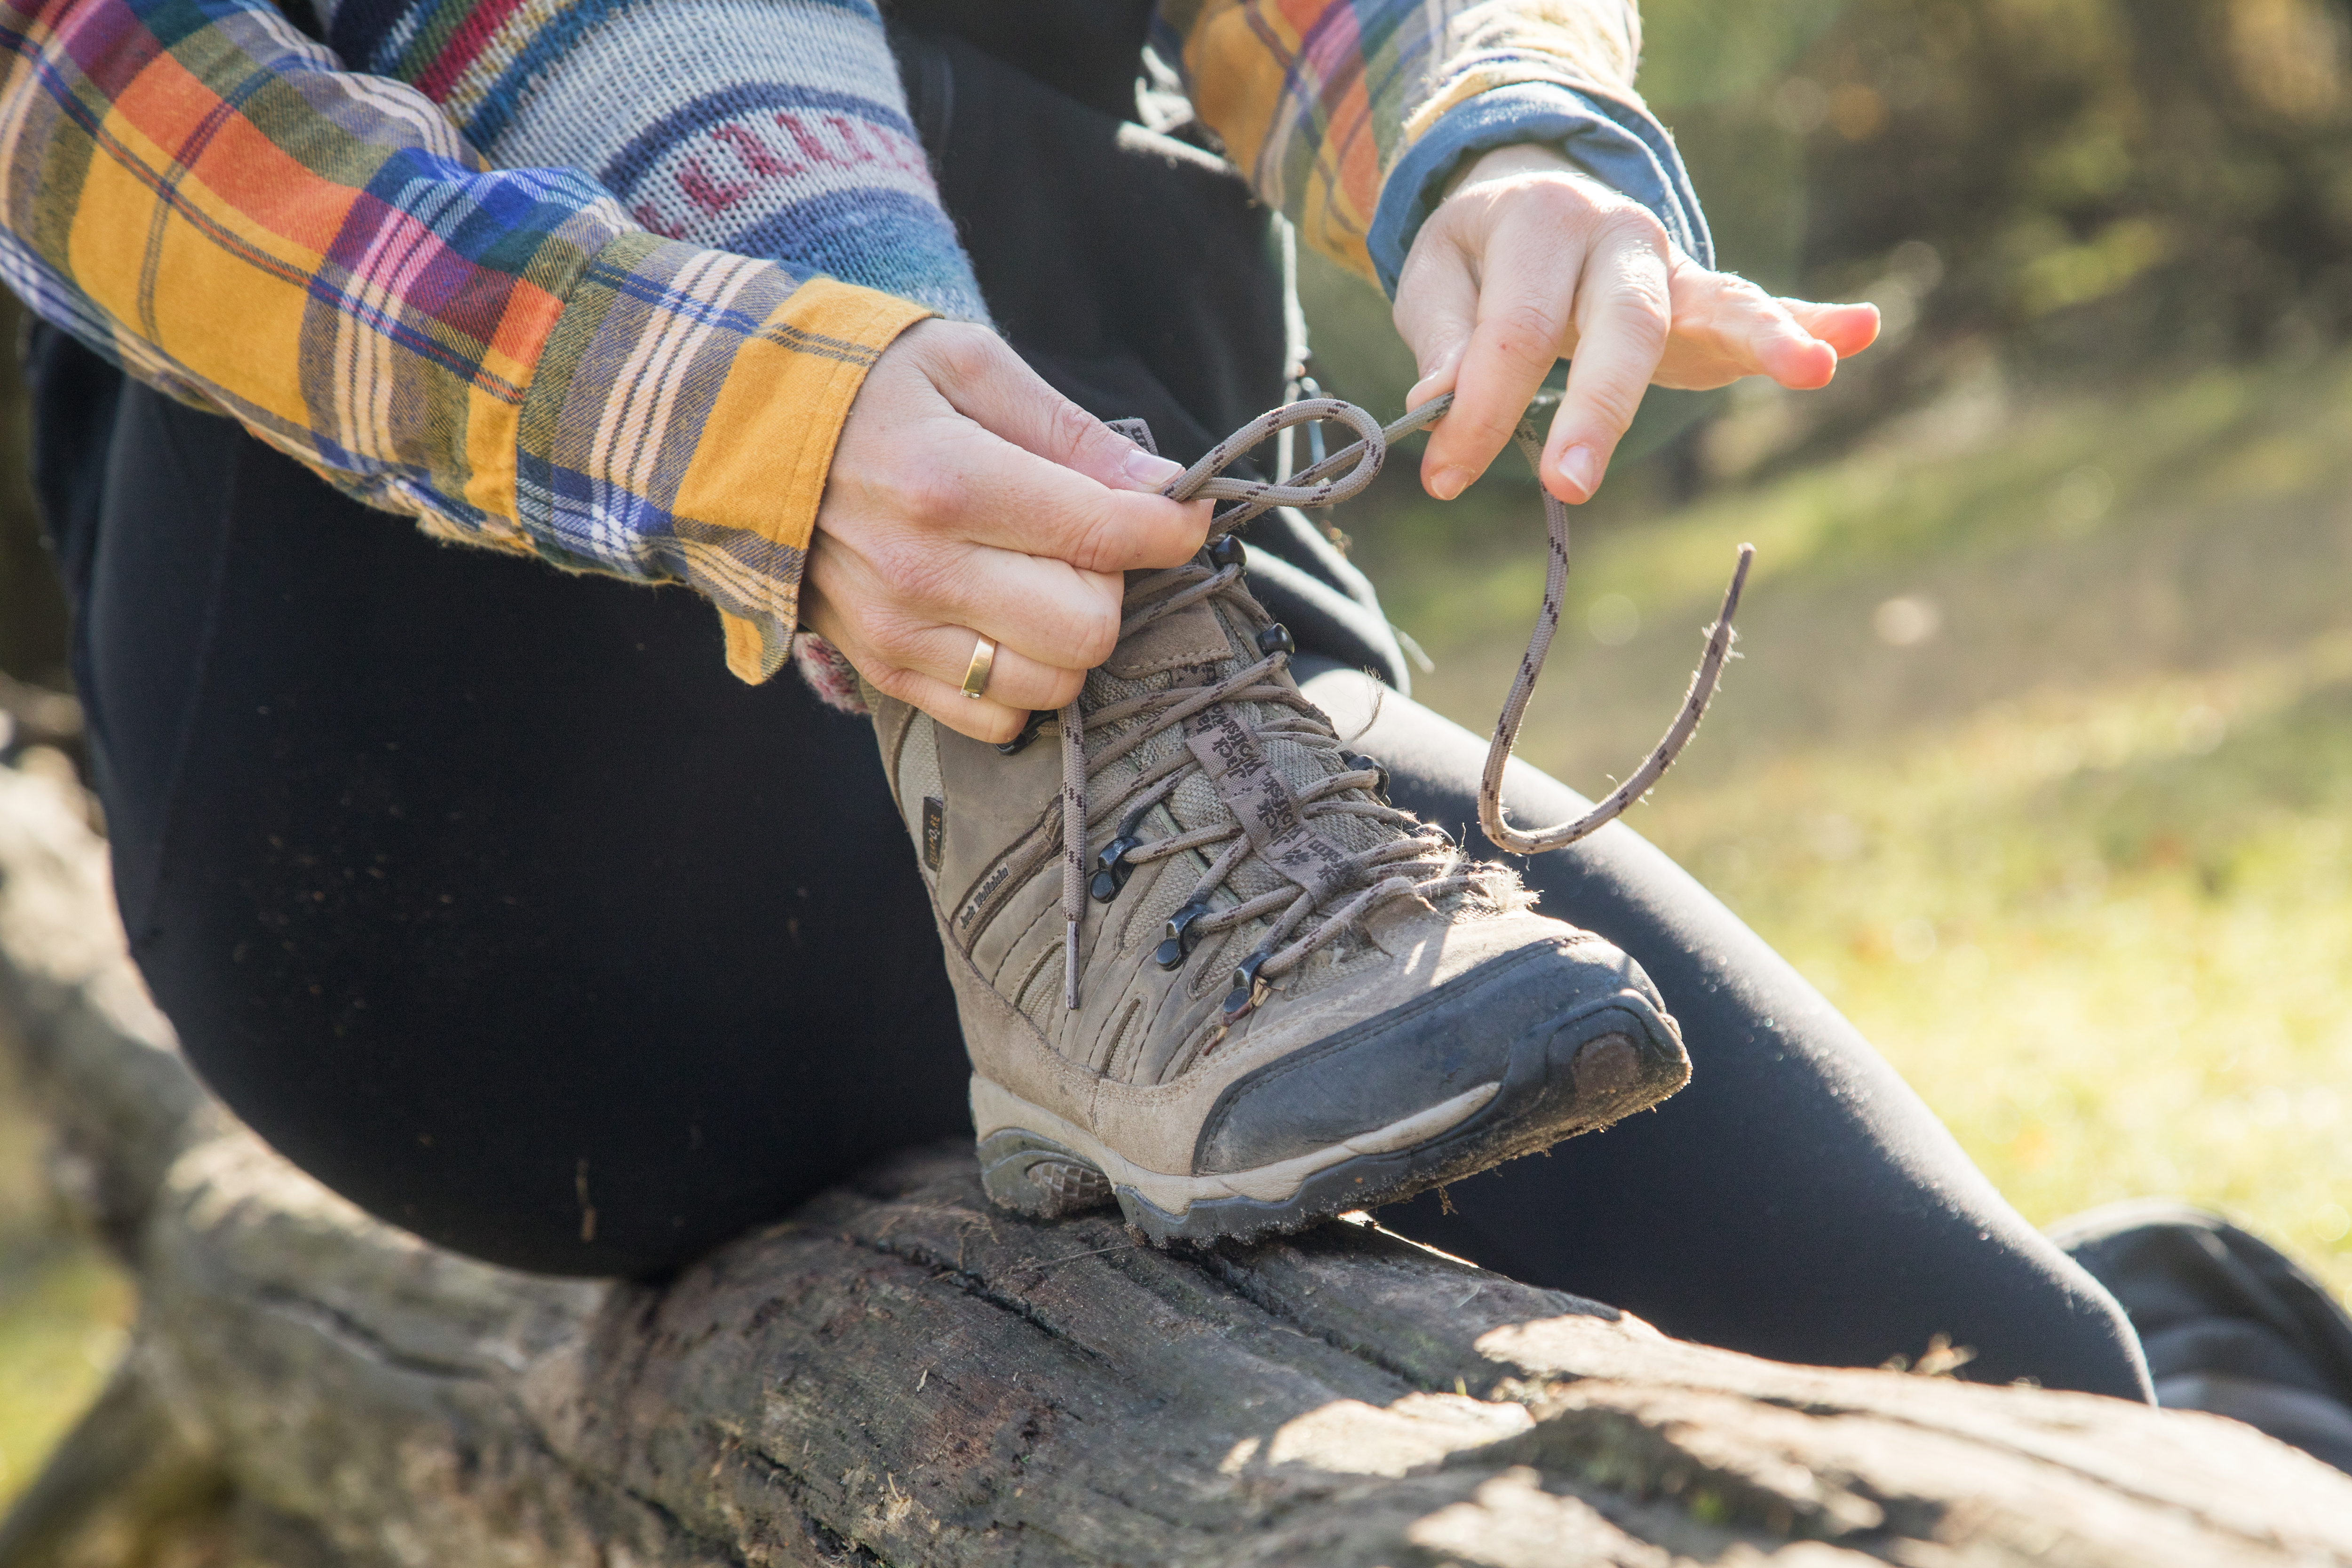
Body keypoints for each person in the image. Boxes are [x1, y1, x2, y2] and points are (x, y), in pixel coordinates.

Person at [0, 0, 2152, 1397]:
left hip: (1201, 802)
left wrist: (1490, 135)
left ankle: (2206, 1334)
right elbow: (66, 80)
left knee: (1996, 1371)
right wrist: (755, 429)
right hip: (472, 819)